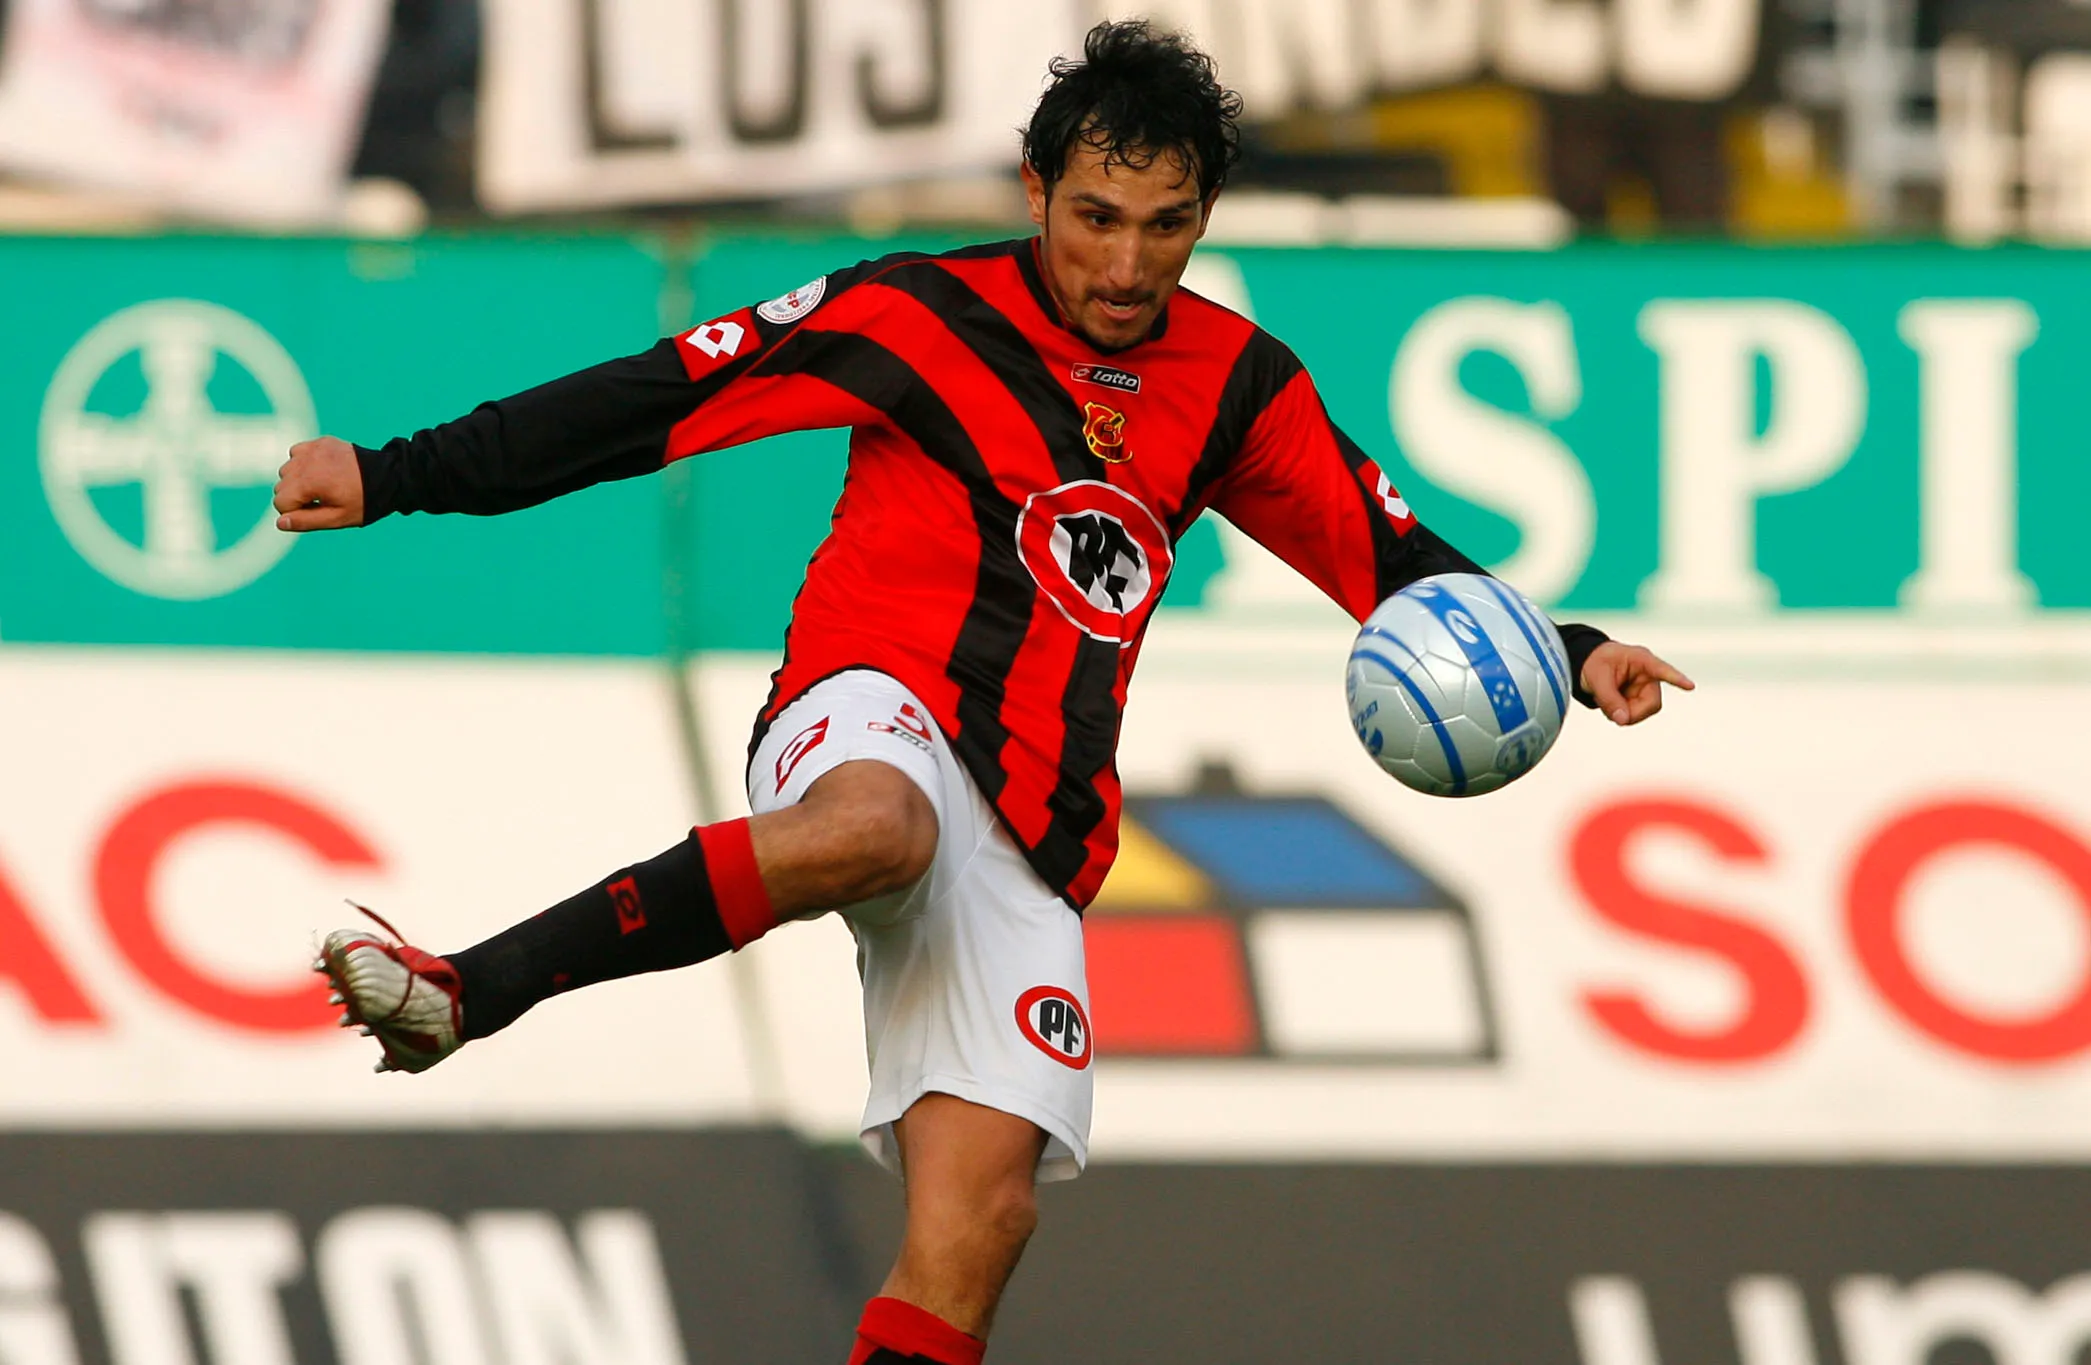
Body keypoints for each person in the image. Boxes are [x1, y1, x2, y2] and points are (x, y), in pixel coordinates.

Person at [276, 20, 1693, 1364]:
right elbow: (651, 397)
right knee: (875, 830)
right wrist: (396, 477)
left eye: (1165, 225)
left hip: (1033, 815)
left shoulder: (1239, 384)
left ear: (1204, 216)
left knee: (980, 1224)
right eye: (1094, 215)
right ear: (1036, 188)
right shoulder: (913, 310)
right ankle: (468, 991)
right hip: (866, 704)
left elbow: (1381, 554)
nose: (1127, 263)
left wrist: (1566, 650)